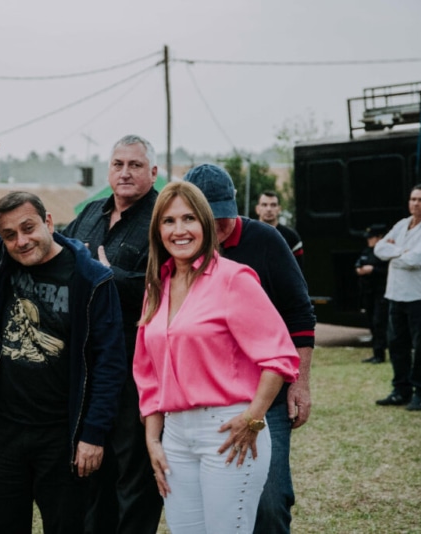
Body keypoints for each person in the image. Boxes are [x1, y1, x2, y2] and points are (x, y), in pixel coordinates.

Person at [0, 135, 126, 534]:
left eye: (27, 228)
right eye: (9, 235)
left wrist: (92, 435)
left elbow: (110, 363)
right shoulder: (0, 261)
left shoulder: (91, 278)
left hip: (62, 433)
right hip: (6, 430)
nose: (20, 241)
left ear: (47, 222)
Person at [133, 181, 300, 533]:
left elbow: (279, 355)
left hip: (227, 431)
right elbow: (147, 373)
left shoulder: (233, 279)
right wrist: (152, 440)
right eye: (168, 221)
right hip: (175, 436)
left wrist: (254, 417)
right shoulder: (156, 287)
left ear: (206, 225)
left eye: (189, 218)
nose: (179, 230)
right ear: (157, 230)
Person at [184, 164, 315, 534]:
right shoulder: (180, 246)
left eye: (224, 216)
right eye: (209, 218)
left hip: (266, 396)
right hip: (206, 401)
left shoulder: (266, 240)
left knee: (271, 501)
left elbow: (301, 313)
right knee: (214, 504)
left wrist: (300, 384)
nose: (219, 228)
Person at [62, 134, 162, 534]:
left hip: (138, 369)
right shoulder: (89, 214)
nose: (125, 172)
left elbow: (171, 288)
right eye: (118, 164)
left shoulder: (164, 217)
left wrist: (112, 278)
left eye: (135, 165)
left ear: (153, 172)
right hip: (87, 366)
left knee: (133, 476)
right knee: (89, 472)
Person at [374, 184, 421, 412]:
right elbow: (378, 249)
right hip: (396, 294)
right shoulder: (402, 225)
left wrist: (395, 253)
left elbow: (417, 259)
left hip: (420, 297)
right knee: (397, 345)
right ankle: (401, 390)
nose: (416, 203)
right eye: (413, 199)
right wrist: (402, 251)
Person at [355, 224, 389, 364]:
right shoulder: (367, 251)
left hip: (381, 292)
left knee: (379, 322)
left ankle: (380, 354)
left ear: (380, 237)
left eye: (371, 237)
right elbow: (358, 265)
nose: (368, 240)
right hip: (368, 293)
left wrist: (373, 269)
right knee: (372, 323)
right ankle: (376, 353)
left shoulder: (385, 253)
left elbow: (387, 271)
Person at [255, 190, 304, 270]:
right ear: (257, 209)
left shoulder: (292, 238)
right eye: (264, 205)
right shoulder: (248, 234)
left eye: (273, 205)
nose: (269, 209)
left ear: (279, 209)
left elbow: (299, 270)